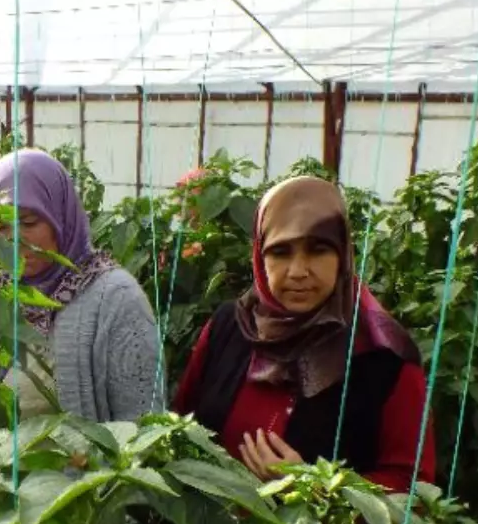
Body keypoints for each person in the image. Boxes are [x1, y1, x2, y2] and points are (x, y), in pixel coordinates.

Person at [172, 175, 435, 492]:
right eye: (280, 252)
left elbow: (414, 487)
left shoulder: (384, 355)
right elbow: (180, 426)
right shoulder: (230, 327)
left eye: (318, 249)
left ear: (342, 253)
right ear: (259, 256)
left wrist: (312, 488)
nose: (298, 271)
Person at [0, 149, 162, 423]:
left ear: (60, 215)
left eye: (28, 222)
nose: (14, 240)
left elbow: (143, 421)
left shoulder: (116, 299)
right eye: (1, 226)